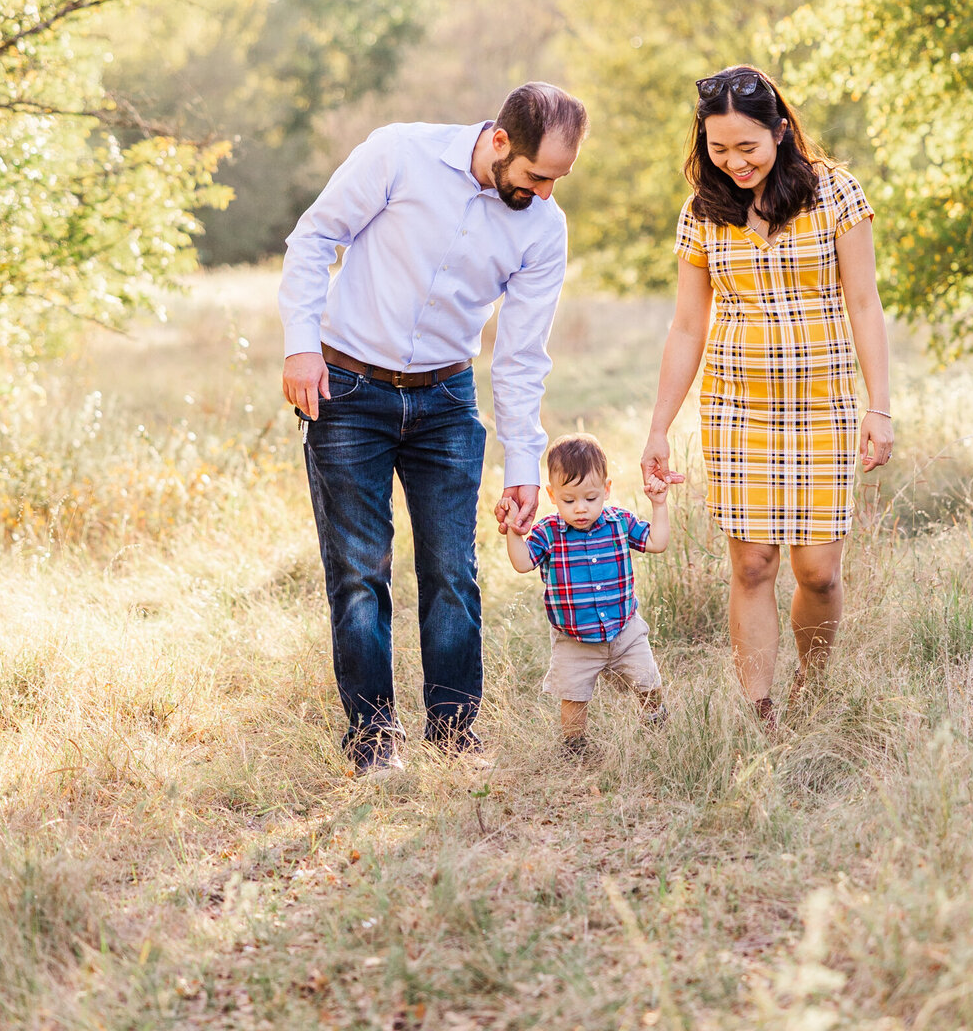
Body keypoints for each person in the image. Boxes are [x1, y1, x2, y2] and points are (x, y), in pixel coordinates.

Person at [279, 82, 587, 775]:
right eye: (538, 176)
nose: (545, 193)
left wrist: (522, 469)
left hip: (447, 400)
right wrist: (301, 343)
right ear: (499, 141)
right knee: (360, 573)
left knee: (453, 572)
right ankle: (373, 741)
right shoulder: (399, 153)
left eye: (558, 181)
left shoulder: (544, 226)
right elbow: (314, 237)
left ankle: (453, 737)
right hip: (348, 389)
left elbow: (520, 358)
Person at [640, 66, 892, 725]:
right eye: (718, 150)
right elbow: (687, 325)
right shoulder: (703, 211)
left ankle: (813, 682)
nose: (734, 163)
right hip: (736, 409)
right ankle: (761, 712)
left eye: (746, 147)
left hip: (821, 408)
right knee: (751, 564)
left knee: (818, 573)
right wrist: (659, 426)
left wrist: (880, 405)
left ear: (781, 130)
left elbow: (865, 305)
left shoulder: (837, 193)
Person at [504, 431, 673, 755]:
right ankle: (575, 747)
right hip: (574, 640)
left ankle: (655, 724)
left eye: (590, 498)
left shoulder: (619, 523)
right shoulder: (549, 532)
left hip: (625, 631)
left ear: (606, 490)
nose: (580, 508)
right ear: (553, 495)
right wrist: (514, 531)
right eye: (569, 500)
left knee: (648, 682)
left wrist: (659, 504)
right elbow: (523, 563)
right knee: (574, 697)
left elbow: (657, 542)